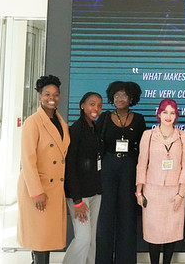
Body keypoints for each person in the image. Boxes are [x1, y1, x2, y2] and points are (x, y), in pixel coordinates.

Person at [16, 75, 71, 264]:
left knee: (45, 239)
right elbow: (27, 160)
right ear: (40, 97)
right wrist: (36, 192)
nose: (52, 98)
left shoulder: (60, 121)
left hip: (54, 189)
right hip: (38, 188)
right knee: (40, 239)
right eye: (47, 94)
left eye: (56, 94)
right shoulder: (33, 122)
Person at [135, 98, 185, 264]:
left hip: (175, 192)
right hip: (152, 191)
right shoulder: (149, 135)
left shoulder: (184, 137)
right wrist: (139, 191)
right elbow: (141, 164)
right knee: (154, 234)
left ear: (176, 115)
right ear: (158, 114)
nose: (168, 116)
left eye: (172, 112)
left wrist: (181, 192)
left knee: (171, 233)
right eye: (165, 112)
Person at [96, 81, 146, 264]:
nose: (119, 99)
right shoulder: (105, 117)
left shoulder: (139, 119)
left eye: (124, 96)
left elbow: (143, 148)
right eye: (116, 96)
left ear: (131, 98)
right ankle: (103, 259)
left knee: (127, 214)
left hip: (129, 168)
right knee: (106, 214)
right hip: (108, 166)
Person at [64, 92, 104, 264]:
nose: (96, 109)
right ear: (82, 106)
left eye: (99, 106)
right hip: (79, 196)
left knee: (92, 240)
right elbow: (70, 167)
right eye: (92, 104)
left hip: (95, 192)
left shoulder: (94, 128)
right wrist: (78, 200)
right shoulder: (75, 130)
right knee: (83, 238)